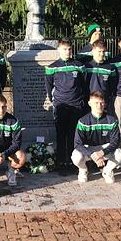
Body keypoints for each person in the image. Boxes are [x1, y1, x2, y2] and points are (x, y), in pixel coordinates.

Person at [45, 37, 87, 175]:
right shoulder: (52, 67)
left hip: (76, 105)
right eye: (64, 49)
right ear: (58, 49)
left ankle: (72, 163)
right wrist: (54, 101)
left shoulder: (79, 65)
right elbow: (49, 86)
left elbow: (84, 85)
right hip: (61, 106)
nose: (67, 52)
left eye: (69, 49)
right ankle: (61, 163)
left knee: (73, 136)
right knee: (61, 136)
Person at [71, 92, 121, 184]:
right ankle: (83, 170)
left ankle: (107, 171)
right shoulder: (83, 121)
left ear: (105, 104)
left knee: (119, 153)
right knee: (76, 156)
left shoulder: (112, 120)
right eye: (96, 103)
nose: (99, 106)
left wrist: (102, 152)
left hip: (104, 148)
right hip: (89, 149)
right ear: (89, 103)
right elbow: (77, 144)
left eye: (101, 103)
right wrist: (93, 154)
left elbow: (115, 142)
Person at [85, 40, 117, 107]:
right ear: (93, 51)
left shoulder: (110, 67)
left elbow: (113, 85)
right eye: (99, 51)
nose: (102, 54)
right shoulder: (86, 66)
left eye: (103, 51)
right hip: (90, 101)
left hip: (104, 101)